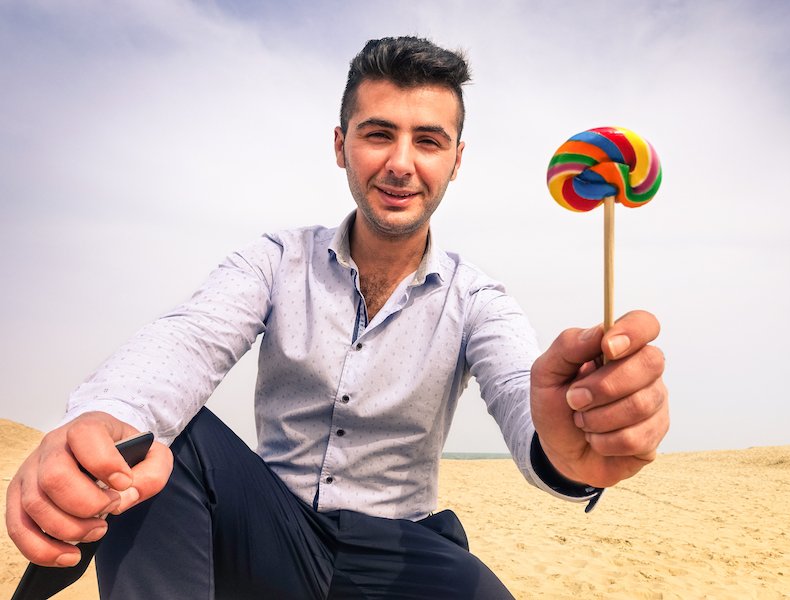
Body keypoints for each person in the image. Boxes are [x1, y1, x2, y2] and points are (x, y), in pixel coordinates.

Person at [6, 36, 668, 598]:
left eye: (429, 141)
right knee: (153, 439)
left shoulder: (477, 299)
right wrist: (104, 418)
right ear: (341, 144)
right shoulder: (273, 262)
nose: (401, 163)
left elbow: (526, 394)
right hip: (275, 530)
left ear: (456, 160)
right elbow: (187, 340)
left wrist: (570, 441)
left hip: (405, 551)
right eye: (378, 133)